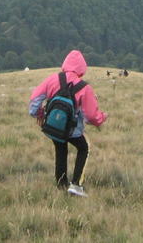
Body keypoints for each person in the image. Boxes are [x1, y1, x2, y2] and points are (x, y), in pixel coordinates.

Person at [29, 50, 107, 197]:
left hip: (53, 126)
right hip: (73, 130)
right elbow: (91, 116)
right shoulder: (84, 87)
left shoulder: (52, 79)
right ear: (82, 68)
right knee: (84, 148)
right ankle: (76, 185)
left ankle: (61, 184)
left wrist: (40, 115)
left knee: (60, 149)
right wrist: (102, 118)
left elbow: (34, 102)